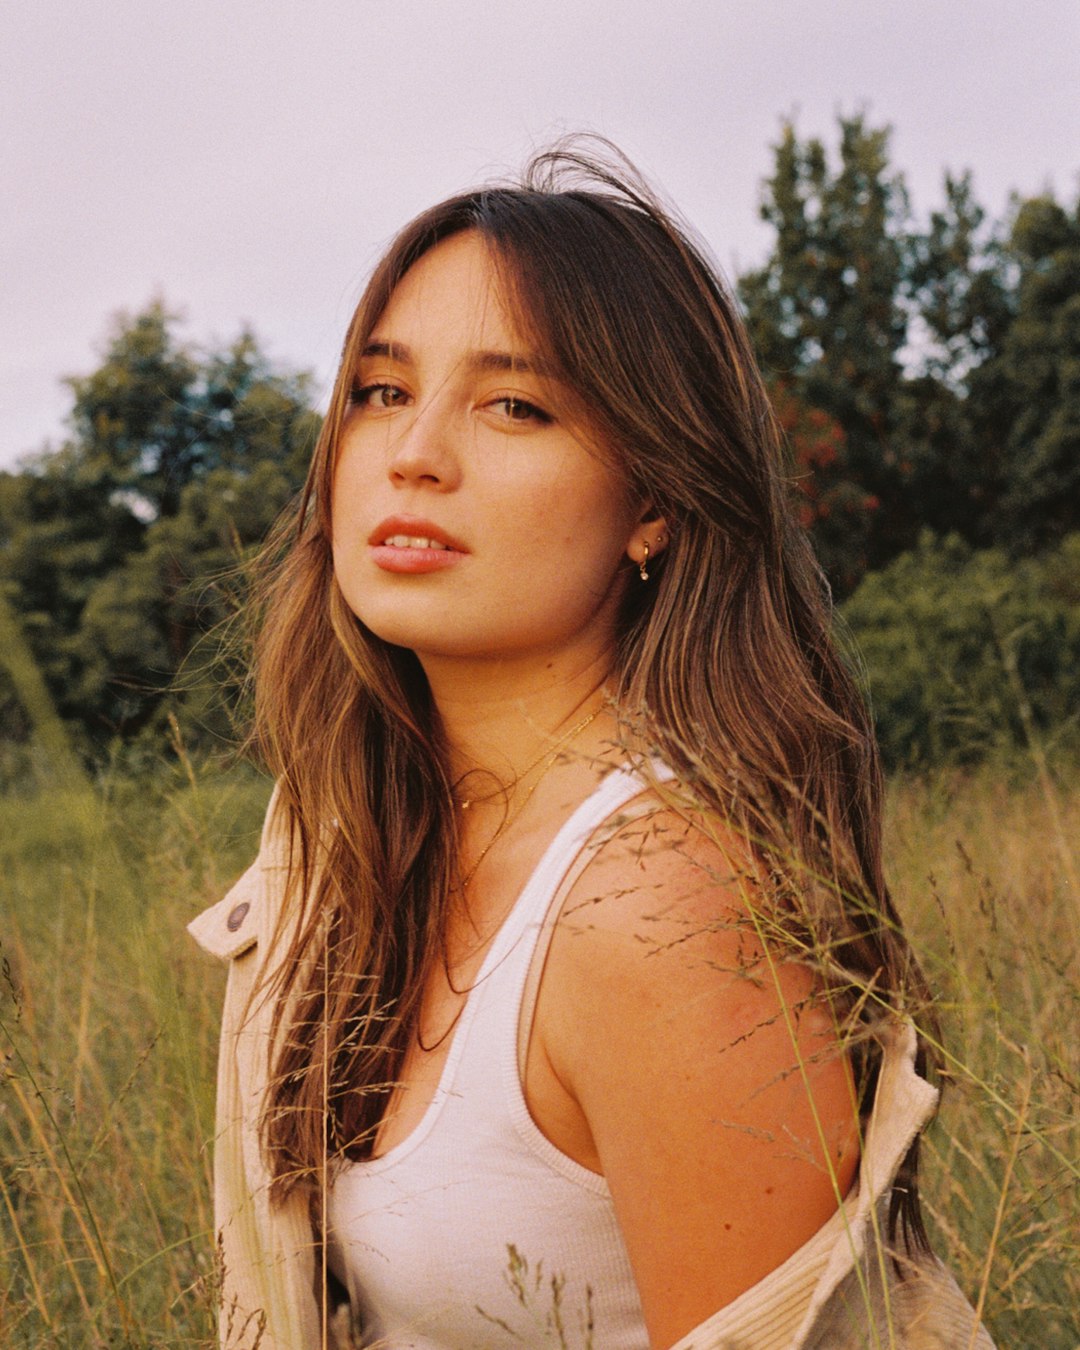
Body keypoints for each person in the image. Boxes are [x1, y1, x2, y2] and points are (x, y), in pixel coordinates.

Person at [190, 141, 994, 1349]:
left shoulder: (666, 909)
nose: (415, 453)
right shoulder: (347, 837)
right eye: (381, 390)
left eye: (516, 405)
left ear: (655, 503)